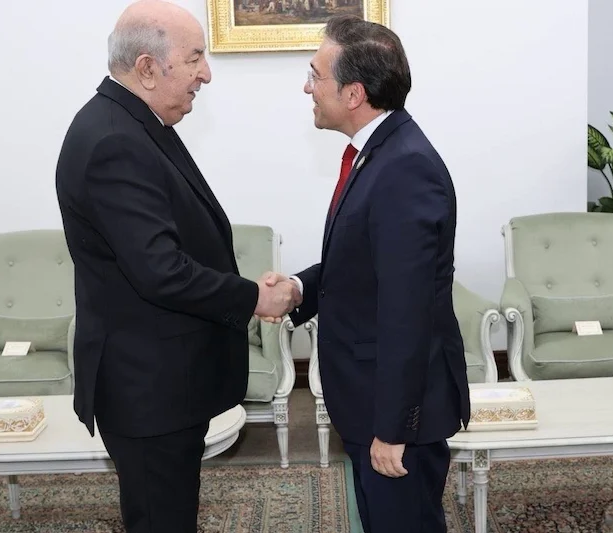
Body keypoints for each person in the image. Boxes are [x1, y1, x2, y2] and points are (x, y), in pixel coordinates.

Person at [54, 1, 297, 531]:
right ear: (147, 68)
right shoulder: (115, 140)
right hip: (148, 390)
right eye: (194, 59)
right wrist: (255, 297)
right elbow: (160, 270)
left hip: (163, 383)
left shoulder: (134, 123)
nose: (205, 74)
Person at [261, 14, 470, 533]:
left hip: (394, 415)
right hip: (370, 399)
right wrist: (299, 289)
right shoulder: (376, 153)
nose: (307, 87)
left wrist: (393, 430)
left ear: (353, 93)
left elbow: (407, 310)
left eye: (315, 75)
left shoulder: (404, 168)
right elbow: (363, 265)